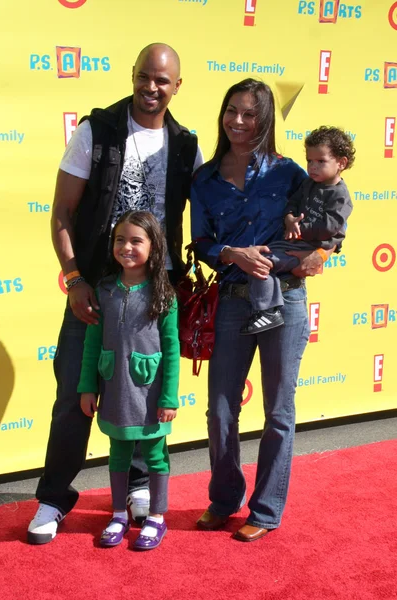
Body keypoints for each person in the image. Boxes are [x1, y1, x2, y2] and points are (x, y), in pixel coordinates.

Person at [27, 42, 203, 545]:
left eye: (162, 80)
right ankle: (53, 497)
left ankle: (139, 489)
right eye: (145, 76)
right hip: (93, 296)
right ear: (132, 76)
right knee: (73, 398)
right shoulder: (96, 131)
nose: (152, 87)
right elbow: (62, 213)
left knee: (144, 396)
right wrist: (76, 279)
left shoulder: (187, 145)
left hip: (152, 299)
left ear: (176, 86)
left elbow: (217, 203)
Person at [191, 78, 333, 542]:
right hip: (233, 301)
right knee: (219, 410)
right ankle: (224, 498)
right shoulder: (205, 178)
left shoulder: (291, 174)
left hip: (284, 299)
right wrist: (234, 253)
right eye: (232, 110)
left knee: (278, 411)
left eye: (250, 114)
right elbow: (203, 244)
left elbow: (328, 221)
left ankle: (267, 509)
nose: (237, 121)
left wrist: (320, 255)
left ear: (265, 120)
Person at [78, 210, 179, 550]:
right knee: (118, 453)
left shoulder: (164, 294)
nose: (127, 247)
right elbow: (93, 342)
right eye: (120, 240)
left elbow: (172, 350)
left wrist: (169, 397)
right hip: (115, 389)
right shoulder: (105, 290)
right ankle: (119, 514)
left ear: (154, 247)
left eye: (137, 240)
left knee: (155, 456)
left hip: (149, 394)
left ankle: (157, 517)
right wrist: (87, 386)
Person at [240, 125, 355, 335]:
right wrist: (289, 218)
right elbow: (293, 203)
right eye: (310, 161)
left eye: (321, 161)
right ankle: (270, 308)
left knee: (262, 262)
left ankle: (267, 310)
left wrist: (301, 230)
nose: (313, 166)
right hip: (291, 241)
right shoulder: (308, 183)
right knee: (259, 255)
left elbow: (330, 228)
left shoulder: (340, 196)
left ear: (341, 163)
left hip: (307, 248)